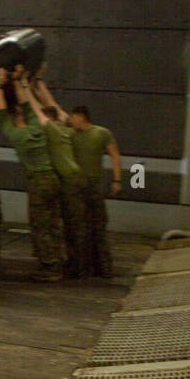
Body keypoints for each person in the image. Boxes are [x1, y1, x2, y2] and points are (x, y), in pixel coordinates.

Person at [0, 68, 64, 281]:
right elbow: (26, 104)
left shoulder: (16, 134)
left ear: (16, 119)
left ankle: (51, 268)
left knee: (41, 224)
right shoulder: (36, 127)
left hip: (38, 182)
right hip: (53, 179)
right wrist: (17, 81)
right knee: (52, 222)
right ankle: (57, 260)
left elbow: (1, 113)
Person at [29, 72, 90, 278]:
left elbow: (38, 109)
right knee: (75, 224)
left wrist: (23, 86)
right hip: (76, 178)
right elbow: (50, 102)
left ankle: (77, 267)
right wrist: (37, 82)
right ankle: (79, 264)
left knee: (72, 225)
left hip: (69, 182)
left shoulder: (54, 131)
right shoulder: (67, 128)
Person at [67, 105, 121, 277]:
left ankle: (103, 266)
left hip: (94, 188)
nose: (70, 120)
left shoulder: (102, 133)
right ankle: (82, 267)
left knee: (98, 226)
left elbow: (115, 154)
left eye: (73, 117)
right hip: (77, 187)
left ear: (81, 117)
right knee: (78, 228)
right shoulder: (70, 134)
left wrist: (117, 179)